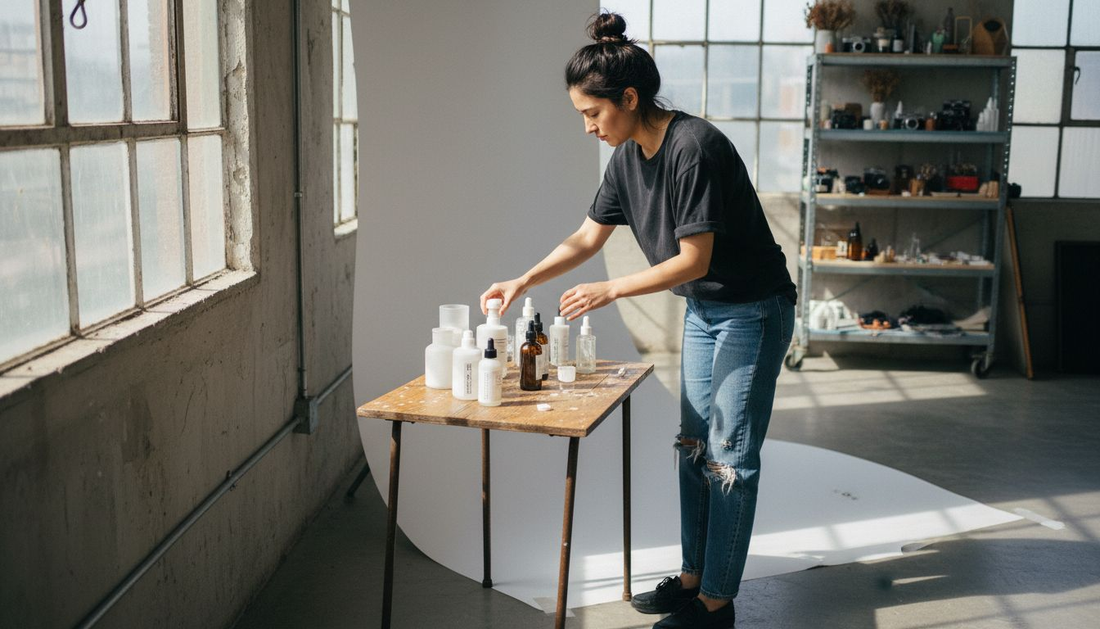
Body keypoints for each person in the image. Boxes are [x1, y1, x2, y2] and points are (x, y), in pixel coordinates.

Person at [479, 11, 795, 629]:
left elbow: (693, 257)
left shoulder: (693, 147)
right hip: (707, 309)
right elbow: (586, 238)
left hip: (753, 311)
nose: (588, 128)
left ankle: (715, 605)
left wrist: (610, 291)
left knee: (730, 457)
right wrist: (524, 280)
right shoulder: (626, 158)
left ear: (629, 98)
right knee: (693, 447)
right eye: (581, 117)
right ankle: (692, 577)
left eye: (593, 114)